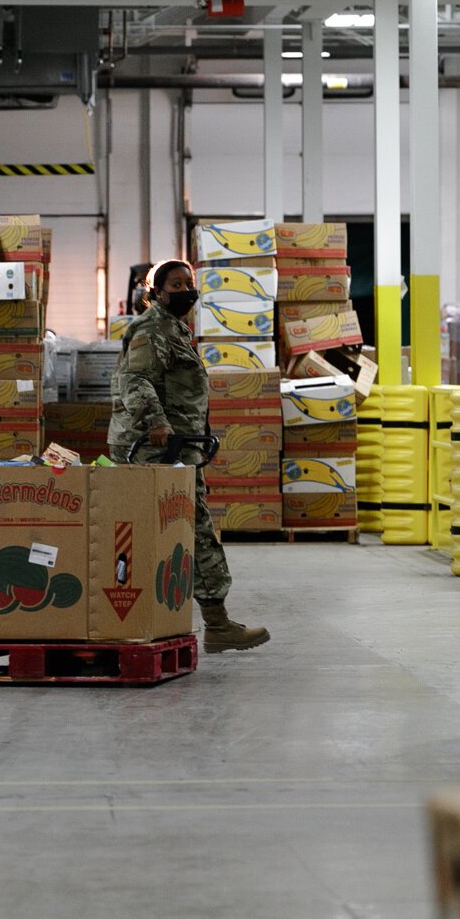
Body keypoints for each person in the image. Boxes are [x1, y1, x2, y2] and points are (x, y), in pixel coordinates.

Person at [108, 259, 270, 652]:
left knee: (171, 531)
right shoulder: (151, 328)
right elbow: (135, 379)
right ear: (156, 292)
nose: (185, 290)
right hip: (156, 448)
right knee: (193, 529)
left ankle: (165, 618)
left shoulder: (174, 329)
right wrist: (157, 424)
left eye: (189, 283)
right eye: (175, 284)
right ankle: (215, 623)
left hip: (177, 447)